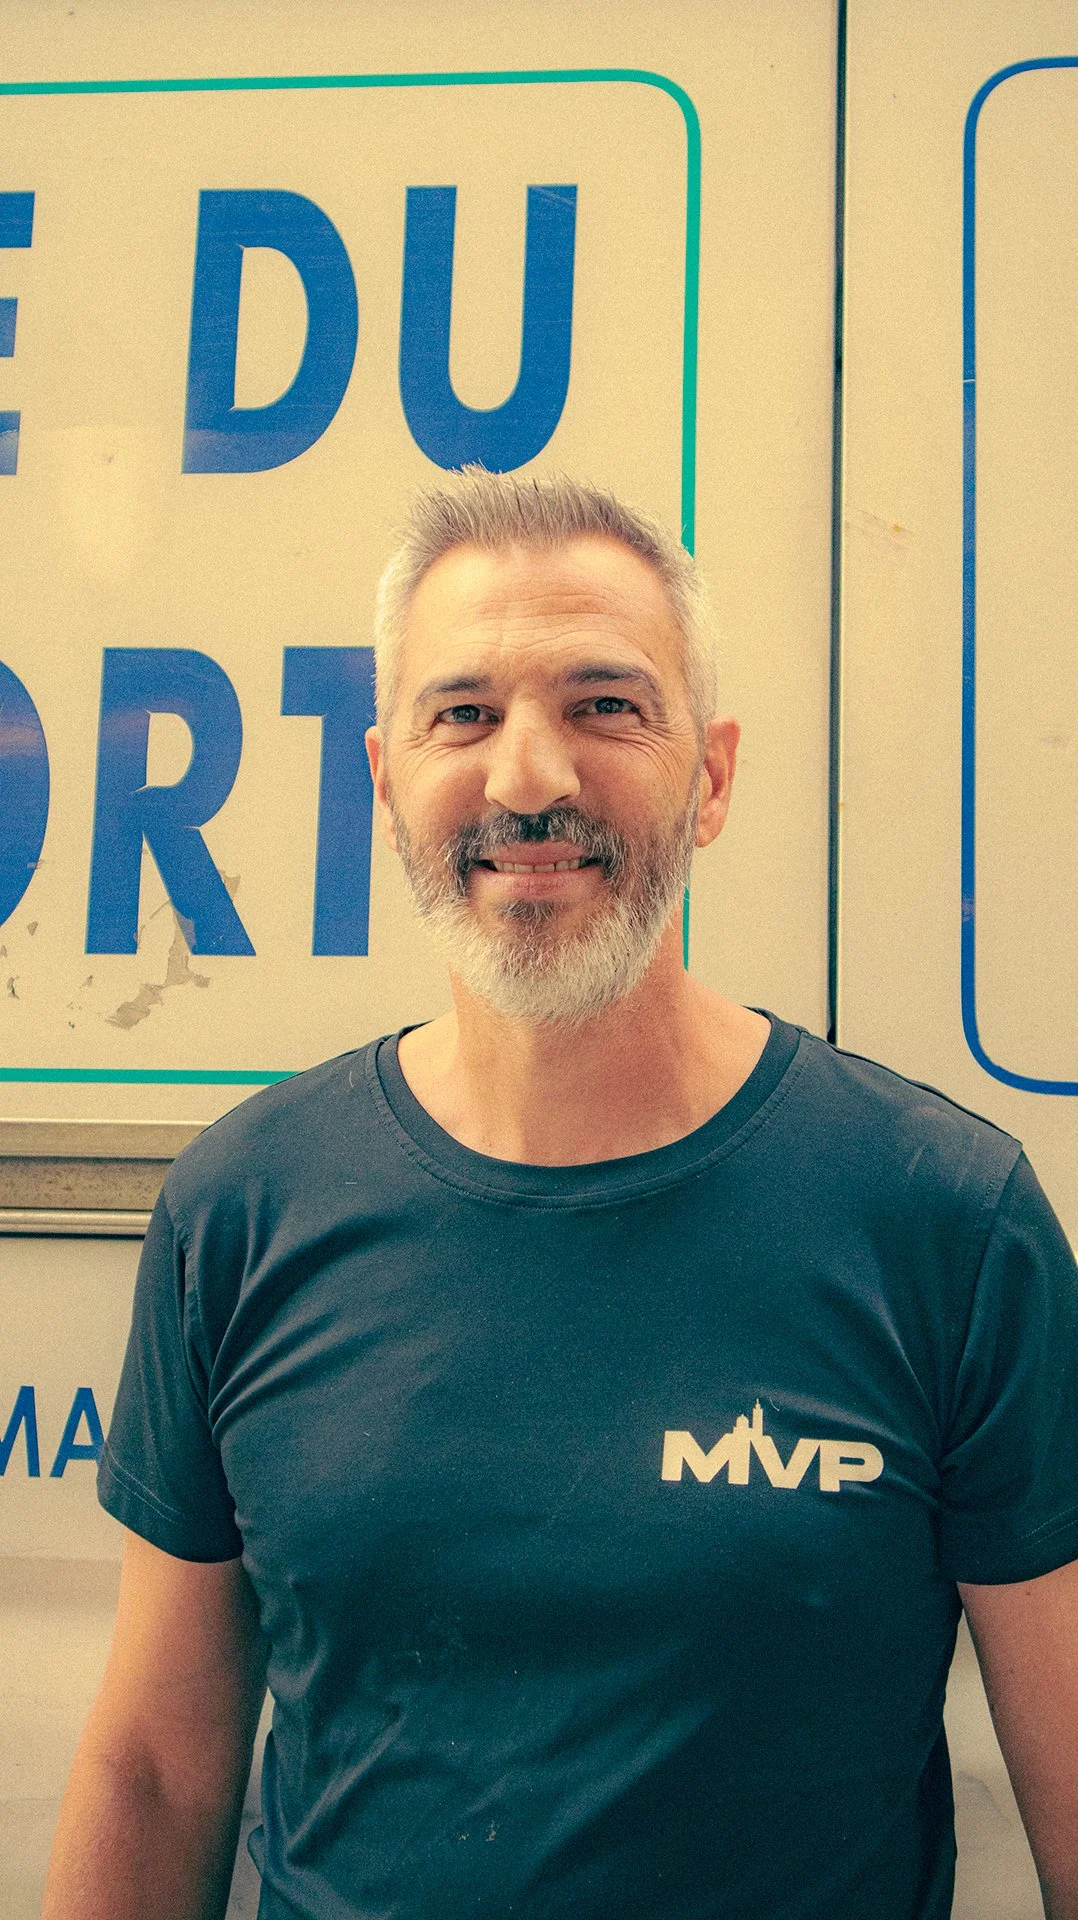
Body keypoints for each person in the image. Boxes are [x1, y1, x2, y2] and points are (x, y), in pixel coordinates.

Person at [43, 471, 1078, 1920]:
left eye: (605, 707)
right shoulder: (246, 1202)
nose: (528, 780)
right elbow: (155, 1769)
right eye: (462, 714)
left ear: (709, 779)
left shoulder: (939, 1221)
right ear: (383, 776)